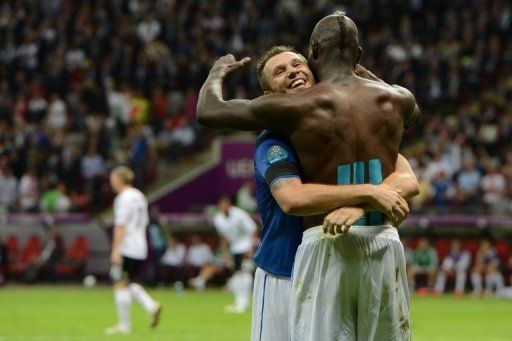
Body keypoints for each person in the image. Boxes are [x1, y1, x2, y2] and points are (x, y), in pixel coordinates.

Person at [197, 12, 420, 340]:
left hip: (325, 246)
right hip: (288, 268)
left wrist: (361, 203)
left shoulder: (300, 110)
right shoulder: (395, 100)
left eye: (297, 65)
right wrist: (370, 195)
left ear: (314, 57)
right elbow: (293, 198)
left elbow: (407, 179)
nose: (292, 73)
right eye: (280, 72)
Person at [105, 166, 161, 335]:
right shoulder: (139, 196)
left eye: (113, 179)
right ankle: (151, 305)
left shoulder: (123, 198)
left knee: (120, 283)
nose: (111, 182)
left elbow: (120, 225)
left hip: (127, 246)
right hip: (140, 245)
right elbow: (144, 223)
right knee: (129, 282)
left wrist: (116, 249)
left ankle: (124, 325)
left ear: (119, 179)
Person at [212, 195, 257, 313]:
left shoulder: (240, 214)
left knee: (245, 273)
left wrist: (251, 248)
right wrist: (224, 253)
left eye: (225, 204)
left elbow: (252, 229)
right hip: (234, 249)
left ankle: (245, 302)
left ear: (229, 205)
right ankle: (238, 301)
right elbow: (223, 237)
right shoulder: (217, 219)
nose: (223, 207)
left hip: (246, 246)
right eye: (221, 204)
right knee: (236, 274)